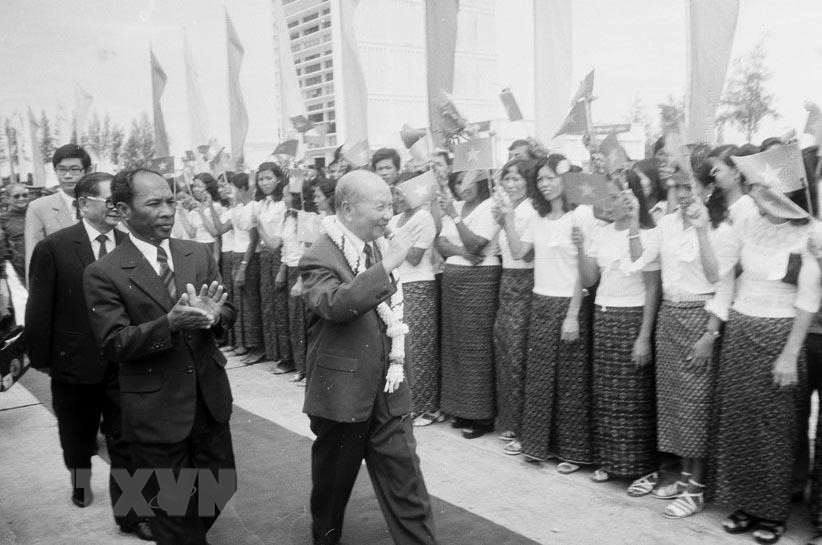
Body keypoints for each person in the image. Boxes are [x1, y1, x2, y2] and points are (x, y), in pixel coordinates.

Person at [83, 168, 236, 545]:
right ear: (122, 211)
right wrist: (169, 324)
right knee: (175, 517)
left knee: (219, 486)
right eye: (154, 204)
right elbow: (114, 343)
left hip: (208, 402)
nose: (167, 211)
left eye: (170, 201)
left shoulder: (196, 253)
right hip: (156, 413)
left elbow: (226, 309)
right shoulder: (104, 272)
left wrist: (216, 316)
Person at [299, 170, 438, 545]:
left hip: (389, 390)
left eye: (391, 205)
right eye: (380, 207)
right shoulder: (318, 255)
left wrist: (386, 260)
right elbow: (334, 304)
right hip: (342, 396)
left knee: (407, 486)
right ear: (347, 209)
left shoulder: (378, 246)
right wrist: (388, 264)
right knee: (332, 491)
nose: (389, 215)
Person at [25, 172, 152, 540]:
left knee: (126, 440)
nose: (116, 207)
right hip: (74, 363)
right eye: (109, 200)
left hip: (123, 362)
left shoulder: (131, 244)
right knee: (77, 437)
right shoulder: (55, 247)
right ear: (83, 203)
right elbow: (39, 307)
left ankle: (131, 516)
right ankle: (79, 480)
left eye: (120, 201)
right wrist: (42, 357)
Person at [709, 162, 820, 545]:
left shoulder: (810, 232)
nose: (753, 195)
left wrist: (789, 355)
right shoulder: (746, 224)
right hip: (741, 329)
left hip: (780, 334)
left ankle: (772, 511)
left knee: (775, 428)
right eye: (752, 188)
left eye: (759, 188)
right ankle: (745, 503)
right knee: (739, 422)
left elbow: (808, 301)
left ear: (781, 192)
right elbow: (724, 277)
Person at [637, 169, 725, 518]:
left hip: (700, 317)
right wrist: (633, 220)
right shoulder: (666, 224)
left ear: (708, 189)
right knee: (675, 405)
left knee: (696, 406)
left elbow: (719, 281)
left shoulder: (718, 225)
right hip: (670, 317)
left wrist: (710, 333)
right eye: (676, 186)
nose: (682, 193)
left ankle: (697, 488)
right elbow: (643, 260)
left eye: (689, 186)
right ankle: (685, 477)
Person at [503, 154, 597, 471]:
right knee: (540, 379)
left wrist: (572, 314)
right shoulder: (538, 217)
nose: (544, 184)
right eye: (540, 179)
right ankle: (538, 446)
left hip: (570, 303)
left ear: (565, 179)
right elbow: (519, 252)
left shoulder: (581, 215)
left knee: (570, 381)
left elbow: (585, 275)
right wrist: (506, 219)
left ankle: (573, 452)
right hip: (540, 300)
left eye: (550, 178)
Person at [576, 172, 661, 486]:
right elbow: (589, 280)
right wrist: (581, 247)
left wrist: (643, 336)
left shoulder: (649, 234)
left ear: (631, 198)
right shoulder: (601, 232)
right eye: (606, 197)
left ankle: (643, 469)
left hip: (632, 318)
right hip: (604, 316)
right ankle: (612, 462)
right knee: (607, 397)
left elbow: (652, 288)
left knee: (635, 399)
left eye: (614, 197)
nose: (608, 204)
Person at [437, 170, 501, 439]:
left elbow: (476, 244)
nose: (464, 186)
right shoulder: (458, 205)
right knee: (456, 346)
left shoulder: (490, 206)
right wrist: (461, 251)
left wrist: (454, 215)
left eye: (470, 180)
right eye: (460, 180)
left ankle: (481, 415)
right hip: (454, 279)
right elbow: (441, 244)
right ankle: (461, 409)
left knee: (477, 347)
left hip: (480, 281)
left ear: (481, 180)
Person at [490, 158, 537, 454]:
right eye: (507, 178)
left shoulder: (531, 211)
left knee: (520, 355)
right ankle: (509, 419)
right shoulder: (509, 210)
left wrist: (506, 220)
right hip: (506, 281)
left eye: (517, 178)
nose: (511, 184)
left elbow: (525, 255)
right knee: (505, 351)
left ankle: (524, 428)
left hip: (526, 282)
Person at [387, 179, 440, 427]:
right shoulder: (395, 220)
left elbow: (415, 257)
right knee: (404, 346)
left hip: (419, 284)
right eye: (396, 194)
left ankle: (427, 407)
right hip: (398, 285)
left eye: (403, 193)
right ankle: (409, 403)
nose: (398, 198)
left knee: (421, 346)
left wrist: (392, 238)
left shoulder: (423, 218)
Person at [24, 144, 89, 276]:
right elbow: (33, 257)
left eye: (74, 169)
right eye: (62, 169)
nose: (68, 175)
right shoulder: (39, 207)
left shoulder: (101, 203)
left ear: (87, 171)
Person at [253, 162, 292, 373]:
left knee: (280, 307)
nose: (264, 182)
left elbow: (275, 243)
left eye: (269, 178)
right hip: (264, 257)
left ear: (278, 179)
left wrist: (258, 225)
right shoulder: (263, 204)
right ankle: (274, 353)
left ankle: (287, 357)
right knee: (268, 305)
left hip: (279, 256)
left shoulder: (282, 205)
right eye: (261, 179)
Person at [2, 183, 29, 284]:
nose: (21, 199)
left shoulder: (35, 214)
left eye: (24, 195)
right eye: (16, 196)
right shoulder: (3, 220)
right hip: (18, 270)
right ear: (7, 199)